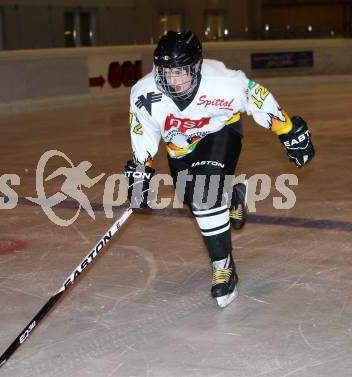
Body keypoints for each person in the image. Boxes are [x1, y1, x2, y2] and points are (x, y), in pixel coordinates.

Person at [123, 31, 315, 308]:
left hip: (219, 132)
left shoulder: (224, 82)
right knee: (193, 200)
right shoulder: (144, 93)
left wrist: (287, 130)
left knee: (205, 197)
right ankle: (234, 196)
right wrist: (142, 168)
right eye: (166, 71)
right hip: (179, 148)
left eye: (180, 72)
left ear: (196, 67)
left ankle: (223, 267)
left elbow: (256, 96)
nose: (172, 80)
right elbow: (142, 132)